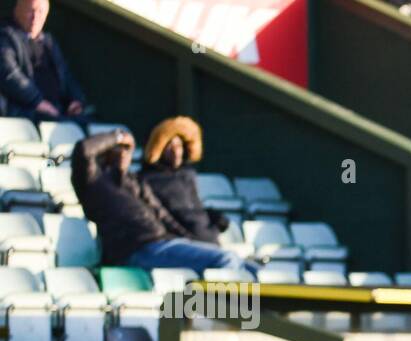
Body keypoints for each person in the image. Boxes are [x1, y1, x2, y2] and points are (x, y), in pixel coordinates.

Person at [71, 128, 254, 274]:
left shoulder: (134, 182)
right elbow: (83, 150)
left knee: (251, 268)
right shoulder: (92, 181)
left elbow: (164, 217)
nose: (125, 154)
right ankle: (224, 319)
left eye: (128, 149)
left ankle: (261, 319)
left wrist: (193, 241)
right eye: (120, 148)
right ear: (107, 152)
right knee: (225, 260)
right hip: (137, 249)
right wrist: (116, 136)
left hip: (164, 243)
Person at [139, 116, 228, 246]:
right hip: (182, 244)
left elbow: (195, 207)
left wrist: (214, 217)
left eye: (179, 146)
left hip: (209, 238)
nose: (176, 152)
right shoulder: (146, 179)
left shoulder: (188, 175)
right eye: (170, 146)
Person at [0, 0, 87, 120]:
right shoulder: (5, 35)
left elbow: (66, 75)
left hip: (59, 112)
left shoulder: (49, 42)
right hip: (24, 114)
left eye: (40, 12)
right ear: (17, 9)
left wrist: (76, 100)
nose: (35, 17)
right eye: (31, 11)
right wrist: (37, 102)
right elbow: (9, 74)